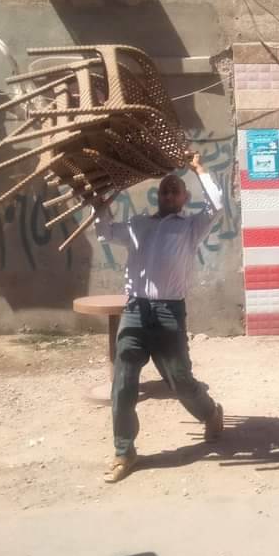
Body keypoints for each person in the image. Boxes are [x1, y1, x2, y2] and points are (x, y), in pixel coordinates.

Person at [95, 152, 225, 483]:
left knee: (179, 380)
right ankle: (124, 451)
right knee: (123, 381)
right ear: (158, 195)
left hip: (169, 313)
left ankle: (210, 413)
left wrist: (198, 168)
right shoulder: (138, 225)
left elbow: (217, 205)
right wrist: (100, 202)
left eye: (174, 190)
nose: (168, 194)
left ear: (184, 198)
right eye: (164, 190)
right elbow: (106, 231)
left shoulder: (191, 227)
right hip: (136, 311)